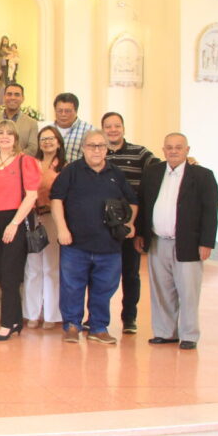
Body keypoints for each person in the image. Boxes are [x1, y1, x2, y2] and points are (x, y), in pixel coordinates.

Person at [50, 130, 139, 344]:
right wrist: (62, 229)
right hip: (75, 244)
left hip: (109, 245)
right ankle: (72, 325)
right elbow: (56, 200)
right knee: (72, 287)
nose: (96, 150)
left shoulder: (115, 174)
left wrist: (129, 223)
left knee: (104, 288)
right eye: (92, 146)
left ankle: (98, 327)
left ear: (107, 148)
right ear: (83, 148)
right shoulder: (71, 171)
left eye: (100, 145)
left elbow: (132, 201)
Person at [136, 133, 218, 351]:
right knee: (161, 289)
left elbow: (210, 212)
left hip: (188, 243)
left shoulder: (202, 176)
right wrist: (141, 234)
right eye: (169, 147)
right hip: (158, 242)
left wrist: (207, 242)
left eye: (178, 148)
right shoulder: (152, 173)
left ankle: (189, 335)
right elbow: (144, 205)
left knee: (188, 290)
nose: (173, 151)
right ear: (163, 150)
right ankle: (165, 332)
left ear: (187, 150)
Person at [0, 119, 40, 341]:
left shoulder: (25, 161)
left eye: (9, 134)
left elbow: (31, 195)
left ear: (16, 139)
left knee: (11, 275)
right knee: (2, 274)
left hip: (16, 219)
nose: (4, 136)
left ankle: (6, 324)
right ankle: (15, 320)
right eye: (0, 133)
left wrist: (14, 224)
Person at [102, 111, 158, 334]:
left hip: (130, 223)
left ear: (123, 128)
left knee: (131, 273)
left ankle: (129, 317)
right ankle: (97, 317)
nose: (113, 130)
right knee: (100, 273)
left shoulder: (140, 153)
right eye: (108, 126)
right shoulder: (97, 152)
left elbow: (161, 169)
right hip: (103, 225)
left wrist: (187, 162)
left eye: (117, 126)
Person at [25, 125, 66, 330]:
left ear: (58, 142)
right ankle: (32, 314)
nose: (47, 142)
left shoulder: (65, 167)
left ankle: (50, 314)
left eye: (51, 138)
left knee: (51, 267)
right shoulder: (31, 164)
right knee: (32, 267)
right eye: (43, 138)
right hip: (31, 218)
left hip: (53, 218)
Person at [0, 83, 39, 156]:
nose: (12, 97)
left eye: (17, 95)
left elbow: (33, 148)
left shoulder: (31, 123)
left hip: (21, 164)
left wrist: (14, 159)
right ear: (4, 97)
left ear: (23, 98)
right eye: (9, 94)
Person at [52, 92, 95, 162]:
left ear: (76, 111)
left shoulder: (89, 131)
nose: (63, 114)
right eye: (59, 111)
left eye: (67, 111)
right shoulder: (47, 131)